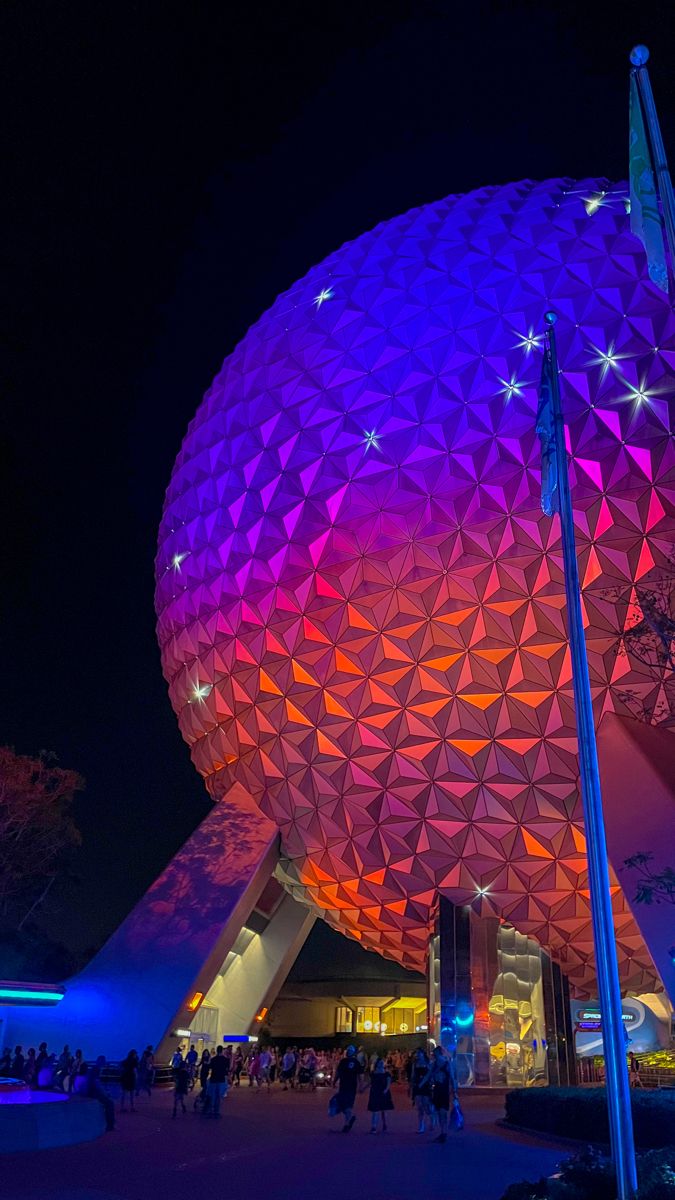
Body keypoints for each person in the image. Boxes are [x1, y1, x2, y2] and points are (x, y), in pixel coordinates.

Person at [421, 1046, 454, 1143]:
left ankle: (444, 1132)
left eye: (435, 1053)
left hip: (444, 1090)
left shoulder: (446, 1064)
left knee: (442, 1112)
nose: (433, 1055)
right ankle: (443, 1132)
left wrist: (455, 1091)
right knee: (439, 1112)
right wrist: (420, 1085)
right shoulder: (434, 1064)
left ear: (439, 1053)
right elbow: (428, 1076)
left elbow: (452, 1077)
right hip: (437, 1090)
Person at [331, 1045, 364, 1133]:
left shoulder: (344, 1061)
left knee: (345, 1105)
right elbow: (360, 1075)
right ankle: (349, 1120)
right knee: (346, 1105)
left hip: (346, 1086)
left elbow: (338, 1073)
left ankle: (347, 1122)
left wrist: (334, 1082)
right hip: (350, 1086)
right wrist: (361, 1085)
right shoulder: (355, 1062)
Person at [84, 1056, 115, 1131]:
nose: (104, 1063)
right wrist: (105, 1093)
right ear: (101, 1062)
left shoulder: (94, 1069)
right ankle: (110, 1125)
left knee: (108, 1100)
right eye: (104, 1061)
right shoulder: (96, 1070)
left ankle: (109, 1123)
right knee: (110, 1103)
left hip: (90, 1091)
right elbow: (97, 1085)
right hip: (93, 1092)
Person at [368, 1058, 394, 1133]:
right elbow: (370, 1082)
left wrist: (386, 1090)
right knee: (375, 1110)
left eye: (382, 1063)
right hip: (375, 1092)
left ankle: (385, 1124)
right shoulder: (373, 1073)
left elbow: (388, 1083)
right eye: (380, 1063)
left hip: (383, 1092)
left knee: (384, 1111)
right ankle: (374, 1126)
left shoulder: (386, 1073)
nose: (381, 1064)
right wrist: (363, 1088)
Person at [409, 1048, 432, 1134]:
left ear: (423, 1053)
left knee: (426, 1105)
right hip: (417, 1085)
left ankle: (431, 1117)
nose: (417, 1055)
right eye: (417, 1053)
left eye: (419, 1053)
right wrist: (410, 1086)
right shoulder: (415, 1064)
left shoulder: (427, 1063)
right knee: (419, 1106)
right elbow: (412, 1075)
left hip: (425, 1086)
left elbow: (430, 1074)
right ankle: (421, 1125)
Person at [207, 1045, 229, 1117]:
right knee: (219, 1096)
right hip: (221, 1079)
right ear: (222, 1051)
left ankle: (211, 1110)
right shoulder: (225, 1060)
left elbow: (210, 1067)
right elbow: (227, 1069)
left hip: (213, 1079)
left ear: (217, 1051)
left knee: (212, 1096)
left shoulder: (213, 1059)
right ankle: (217, 1111)